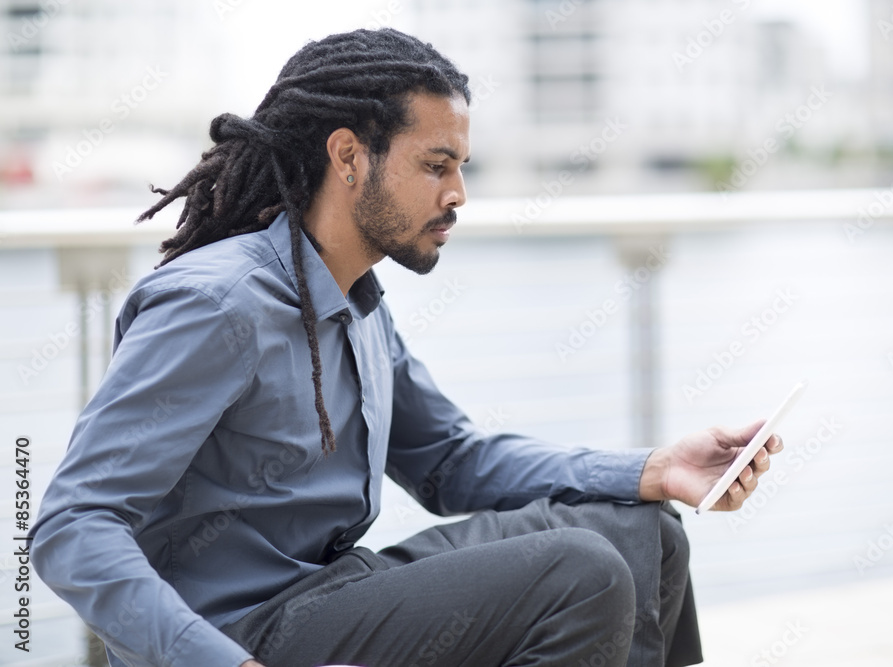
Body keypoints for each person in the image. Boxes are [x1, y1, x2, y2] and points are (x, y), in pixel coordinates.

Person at [30, 28, 782, 667]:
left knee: (645, 532)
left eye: (460, 166)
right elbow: (71, 525)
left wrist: (655, 468)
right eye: (435, 164)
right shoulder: (218, 303)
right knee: (581, 571)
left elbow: (453, 463)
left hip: (329, 593)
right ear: (349, 156)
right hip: (243, 635)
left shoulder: (355, 299)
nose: (458, 193)